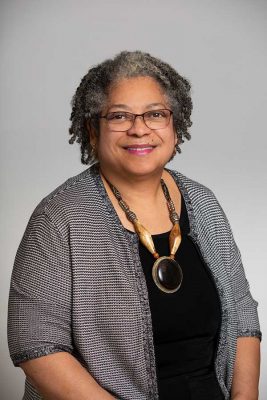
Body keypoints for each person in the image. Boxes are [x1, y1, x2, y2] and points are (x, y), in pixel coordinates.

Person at [8, 50, 261, 400]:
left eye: (156, 114)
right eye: (119, 116)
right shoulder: (59, 218)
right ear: (92, 131)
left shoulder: (202, 202)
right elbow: (36, 345)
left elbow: (243, 315)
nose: (139, 128)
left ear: (175, 127)